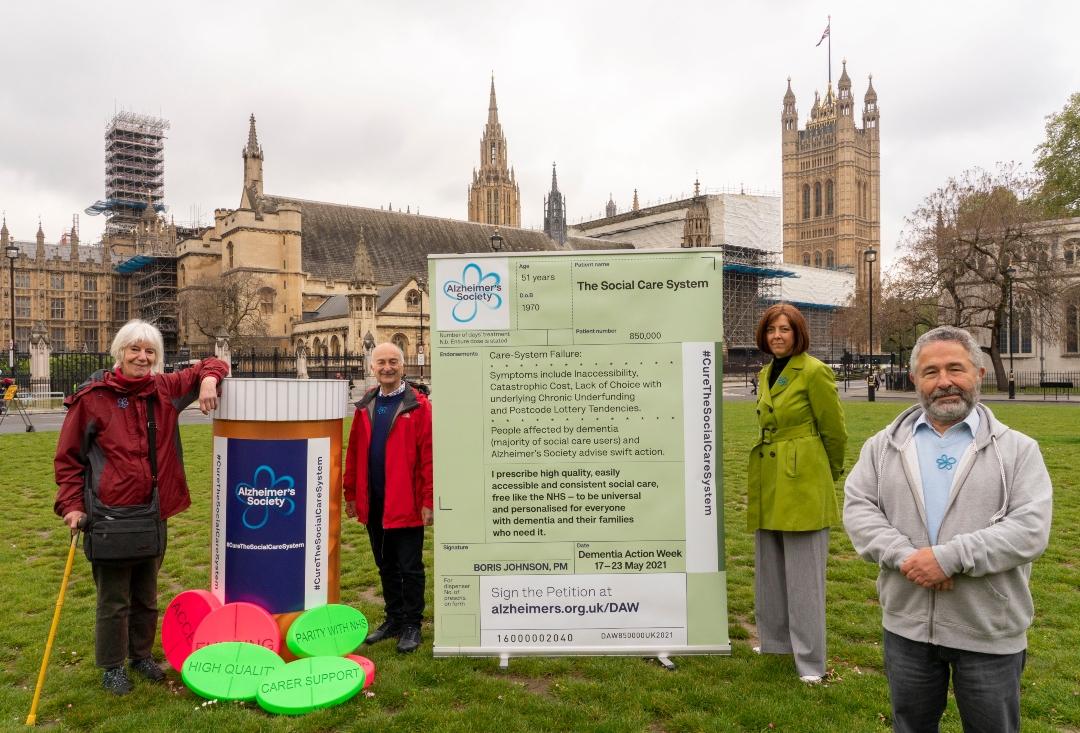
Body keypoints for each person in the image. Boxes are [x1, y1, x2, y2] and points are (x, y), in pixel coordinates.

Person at [844, 325, 1052, 732]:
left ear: (978, 372)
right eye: (931, 372)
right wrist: (909, 559)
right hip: (907, 628)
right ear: (914, 380)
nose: (944, 382)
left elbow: (1030, 529)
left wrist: (948, 559)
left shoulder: (1019, 450)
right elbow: (860, 511)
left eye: (955, 369)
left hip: (989, 630)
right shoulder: (881, 448)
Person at [53, 320, 228, 695]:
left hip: (153, 512)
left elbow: (212, 363)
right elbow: (69, 458)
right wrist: (71, 505)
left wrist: (209, 381)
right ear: (119, 352)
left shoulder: (164, 389)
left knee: (146, 594)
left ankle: (141, 655)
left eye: (150, 351)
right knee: (114, 599)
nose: (142, 357)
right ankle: (112, 666)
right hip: (108, 513)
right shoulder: (92, 398)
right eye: (135, 349)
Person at [747, 303, 847, 684]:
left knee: (804, 577)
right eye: (772, 329)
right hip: (770, 475)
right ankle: (774, 641)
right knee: (770, 567)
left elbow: (834, 430)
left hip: (803, 476)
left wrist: (828, 473)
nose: (777, 336)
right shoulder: (765, 372)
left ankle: (810, 660)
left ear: (798, 333)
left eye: (785, 329)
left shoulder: (814, 371)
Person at [343, 342, 433, 653]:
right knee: (385, 565)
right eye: (381, 362)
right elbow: (354, 453)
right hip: (375, 502)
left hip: (405, 502)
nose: (387, 367)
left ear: (402, 366)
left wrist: (428, 500)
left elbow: (429, 458)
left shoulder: (418, 407)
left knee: (410, 566)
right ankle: (394, 618)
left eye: (393, 361)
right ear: (372, 368)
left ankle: (412, 624)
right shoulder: (365, 407)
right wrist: (351, 493)